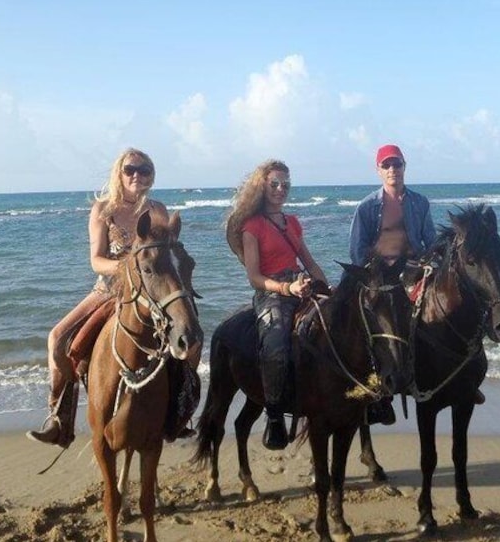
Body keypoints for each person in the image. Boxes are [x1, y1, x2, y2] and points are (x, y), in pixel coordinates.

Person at [27, 148, 191, 447]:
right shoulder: (103, 210)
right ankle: (58, 418)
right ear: (119, 172)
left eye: (144, 170)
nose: (137, 176)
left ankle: (178, 413)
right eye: (130, 169)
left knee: (188, 337)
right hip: (108, 291)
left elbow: (166, 256)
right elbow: (96, 260)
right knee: (58, 339)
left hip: (150, 293)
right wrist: (129, 269)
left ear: (151, 175)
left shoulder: (158, 209)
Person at [349, 144, 484, 423]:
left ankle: (459, 378)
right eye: (386, 165)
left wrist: (429, 263)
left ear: (404, 167)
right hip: (379, 277)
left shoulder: (419, 202)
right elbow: (357, 250)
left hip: (411, 271)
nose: (392, 170)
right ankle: (377, 394)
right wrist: (374, 274)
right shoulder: (366, 207)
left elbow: (429, 240)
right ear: (378, 170)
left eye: (396, 164)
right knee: (374, 329)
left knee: (449, 311)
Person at [226, 159, 329, 450]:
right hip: (271, 292)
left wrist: (327, 288)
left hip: (300, 286)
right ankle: (274, 416)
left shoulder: (292, 222)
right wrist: (286, 287)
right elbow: (254, 277)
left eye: (285, 184)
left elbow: (309, 262)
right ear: (262, 186)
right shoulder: (252, 226)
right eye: (274, 184)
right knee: (276, 345)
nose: (280, 189)